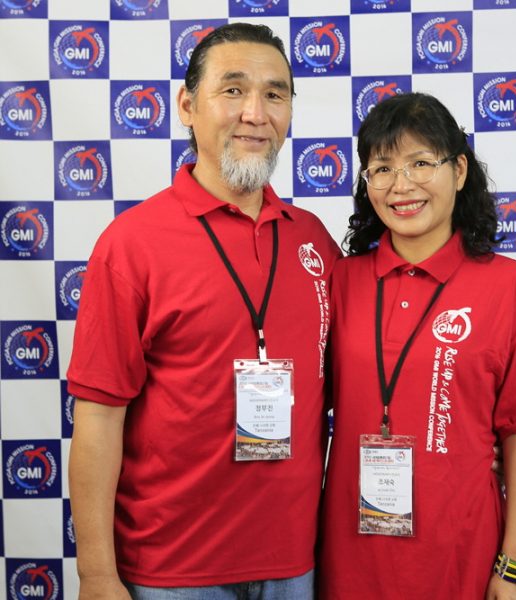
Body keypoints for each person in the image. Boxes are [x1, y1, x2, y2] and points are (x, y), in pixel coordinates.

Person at [67, 23, 339, 600]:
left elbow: (361, 376)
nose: (255, 114)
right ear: (188, 106)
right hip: (170, 572)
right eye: (233, 90)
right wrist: (96, 573)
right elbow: (98, 418)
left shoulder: (313, 240)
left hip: (296, 564)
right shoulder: (132, 245)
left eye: (275, 94)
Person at [318, 92, 516, 599]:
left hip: (461, 554)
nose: (401, 185)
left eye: (421, 163)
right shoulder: (340, 281)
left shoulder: (509, 288)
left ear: (460, 170)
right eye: (382, 168)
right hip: (349, 557)